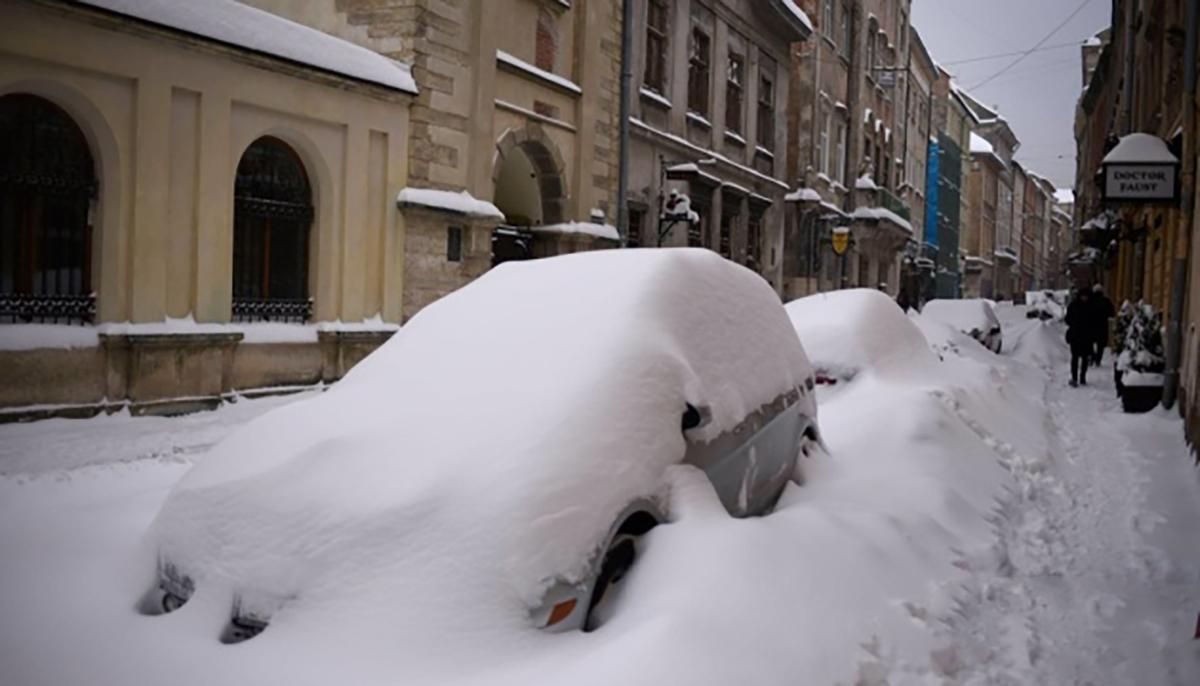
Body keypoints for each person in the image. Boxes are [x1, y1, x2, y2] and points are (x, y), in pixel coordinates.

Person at [1065, 288, 1093, 387]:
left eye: (1086, 296)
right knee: (1076, 358)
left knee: (1083, 358)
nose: (1084, 298)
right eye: (1083, 296)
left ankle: (1082, 377)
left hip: (1084, 336)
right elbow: (1067, 319)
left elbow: (1067, 320)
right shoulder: (1076, 306)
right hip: (1077, 336)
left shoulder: (1088, 306)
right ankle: (1075, 378)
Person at [1090, 283, 1115, 366]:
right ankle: (1098, 359)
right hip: (1102, 325)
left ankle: (1092, 357)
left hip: (1091, 325)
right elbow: (1112, 313)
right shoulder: (1106, 301)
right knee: (1100, 345)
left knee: (1090, 342)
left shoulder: (1090, 300)